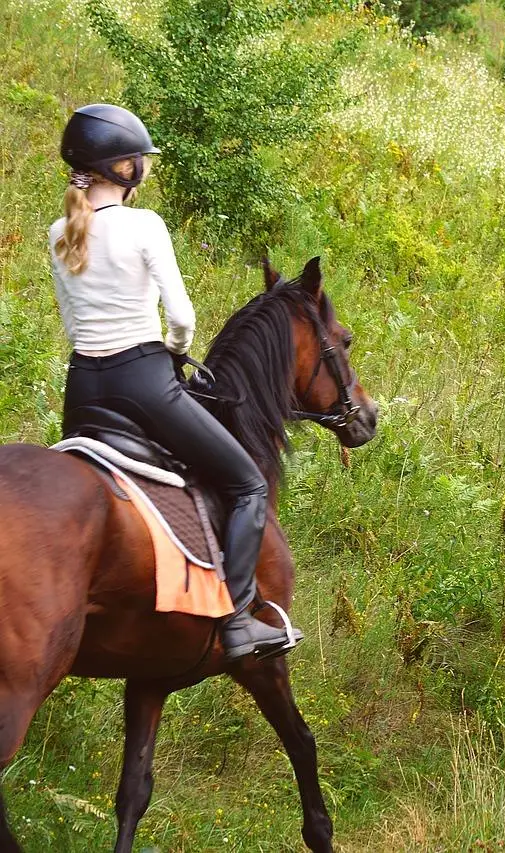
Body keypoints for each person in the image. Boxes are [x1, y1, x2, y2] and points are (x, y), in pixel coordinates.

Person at [50, 103, 296, 661]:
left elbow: (71, 320)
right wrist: (177, 354)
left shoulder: (58, 232)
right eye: (140, 161)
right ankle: (236, 622)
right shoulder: (145, 226)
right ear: (126, 169)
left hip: (83, 388)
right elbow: (181, 317)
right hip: (142, 379)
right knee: (247, 485)